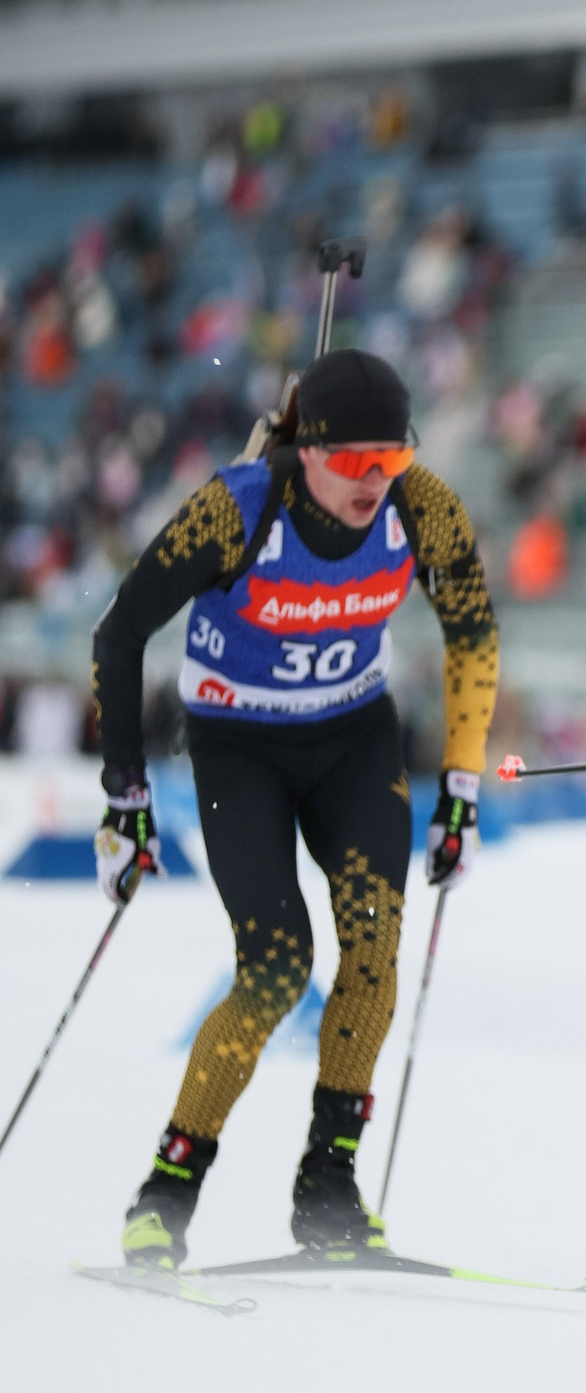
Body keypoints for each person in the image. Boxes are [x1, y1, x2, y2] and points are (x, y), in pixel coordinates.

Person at [92, 348, 500, 1269]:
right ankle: (167, 1192)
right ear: (306, 449)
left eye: (391, 459)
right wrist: (125, 798)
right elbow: (120, 633)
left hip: (354, 741)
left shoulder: (423, 506)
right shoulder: (238, 508)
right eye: (354, 461)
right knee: (277, 967)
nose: (374, 481)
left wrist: (463, 786)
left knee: (373, 947)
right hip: (241, 747)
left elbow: (473, 634)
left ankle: (329, 1187)